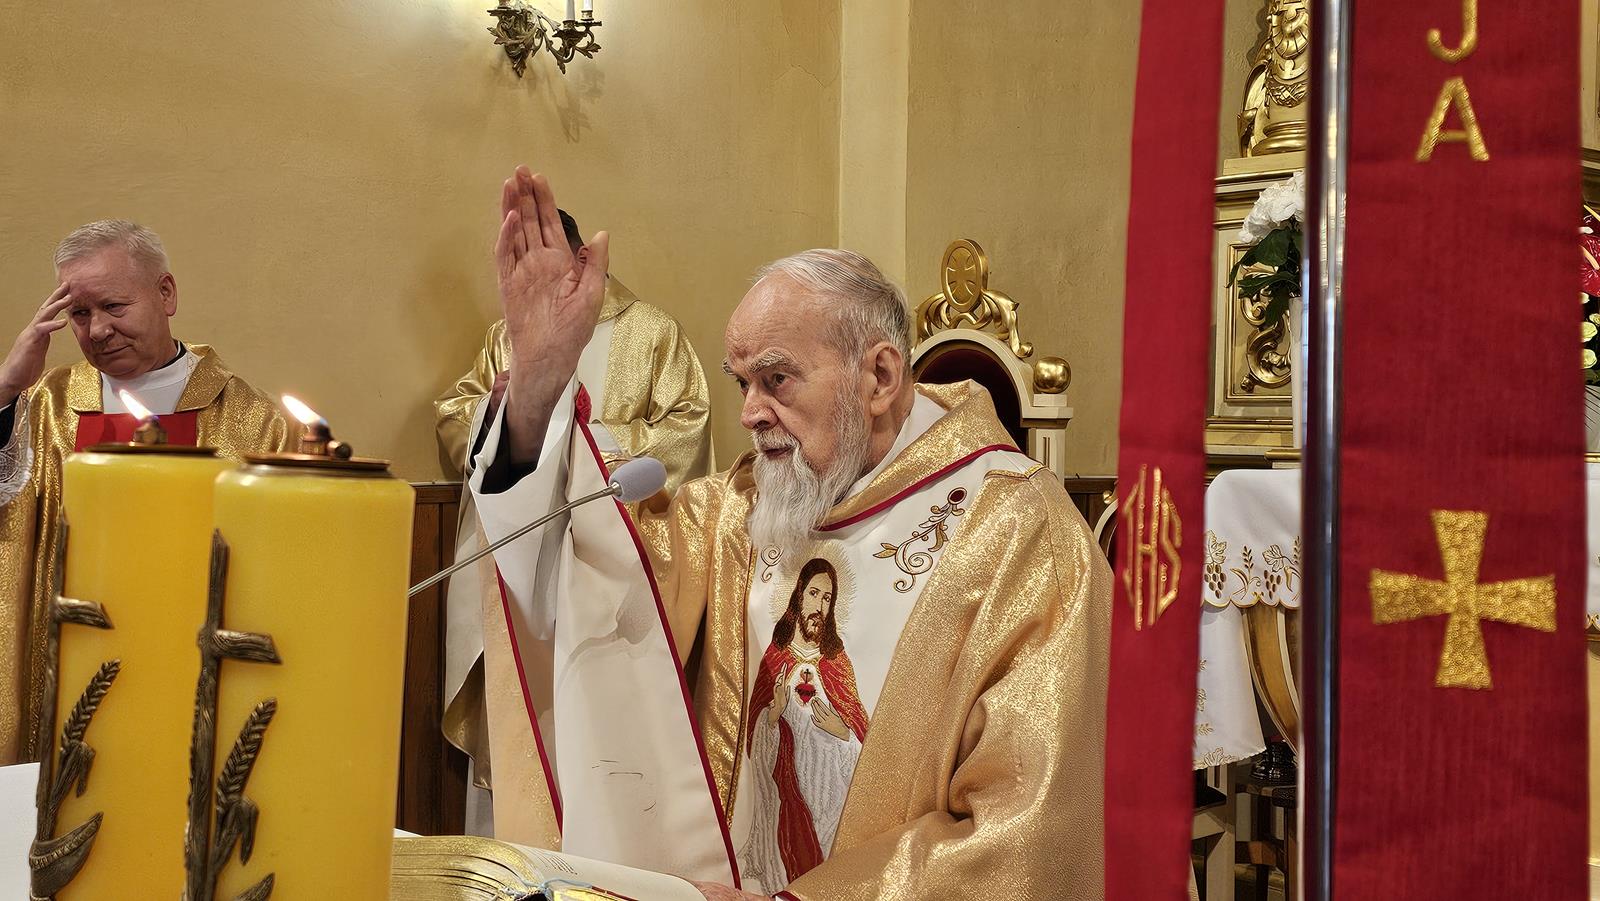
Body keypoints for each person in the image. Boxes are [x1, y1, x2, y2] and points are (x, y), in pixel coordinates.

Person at [470, 168, 1110, 899]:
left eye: (776, 379)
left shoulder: (1023, 534)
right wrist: (539, 386)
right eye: (741, 382)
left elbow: (1027, 828)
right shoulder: (746, 508)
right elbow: (599, 579)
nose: (749, 412)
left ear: (879, 377)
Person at [433, 205, 713, 834]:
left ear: (585, 259)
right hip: (523, 560)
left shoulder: (653, 333)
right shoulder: (503, 337)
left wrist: (585, 444)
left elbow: (688, 430)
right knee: (521, 728)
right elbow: (455, 414)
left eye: (549, 264)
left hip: (608, 567)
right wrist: (504, 419)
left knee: (601, 748)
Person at [0, 219, 290, 765]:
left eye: (114, 306)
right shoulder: (45, 404)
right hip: (71, 656)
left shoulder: (250, 418)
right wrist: (7, 388)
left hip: (186, 660)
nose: (98, 330)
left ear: (166, 294)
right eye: (79, 314)